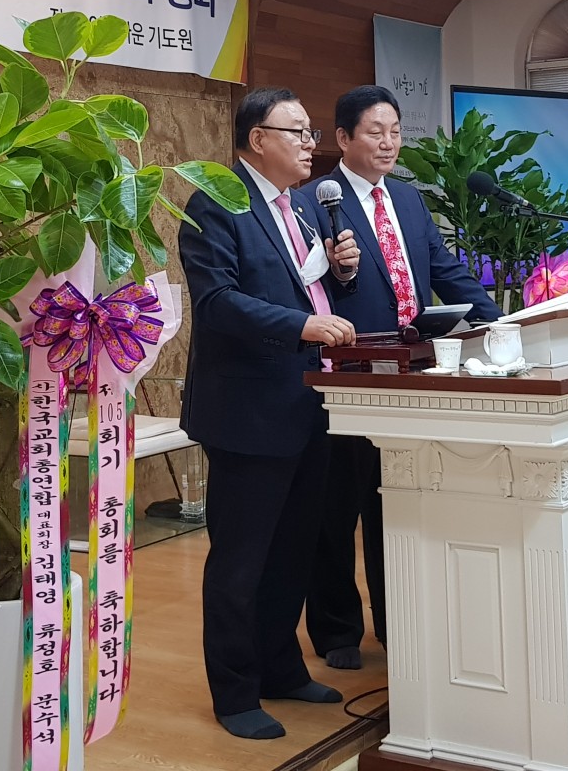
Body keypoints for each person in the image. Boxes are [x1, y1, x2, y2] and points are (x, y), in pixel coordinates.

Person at [178, 87, 362, 740]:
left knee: (293, 551)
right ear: (258, 139)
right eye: (298, 132)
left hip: (308, 402)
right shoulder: (216, 203)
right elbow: (217, 303)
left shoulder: (303, 207)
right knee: (241, 560)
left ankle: (281, 667)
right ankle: (235, 693)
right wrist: (302, 325)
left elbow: (306, 290)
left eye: (311, 133)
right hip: (249, 412)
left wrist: (340, 275)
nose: (311, 144)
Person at [300, 84, 502, 669]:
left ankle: (397, 623)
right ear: (343, 138)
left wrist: (498, 320)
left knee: (395, 503)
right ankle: (337, 631)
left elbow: (444, 270)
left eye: (395, 131)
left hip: (409, 374)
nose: (389, 143)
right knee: (336, 509)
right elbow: (309, 286)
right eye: (375, 132)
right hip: (347, 377)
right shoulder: (313, 202)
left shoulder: (408, 200)